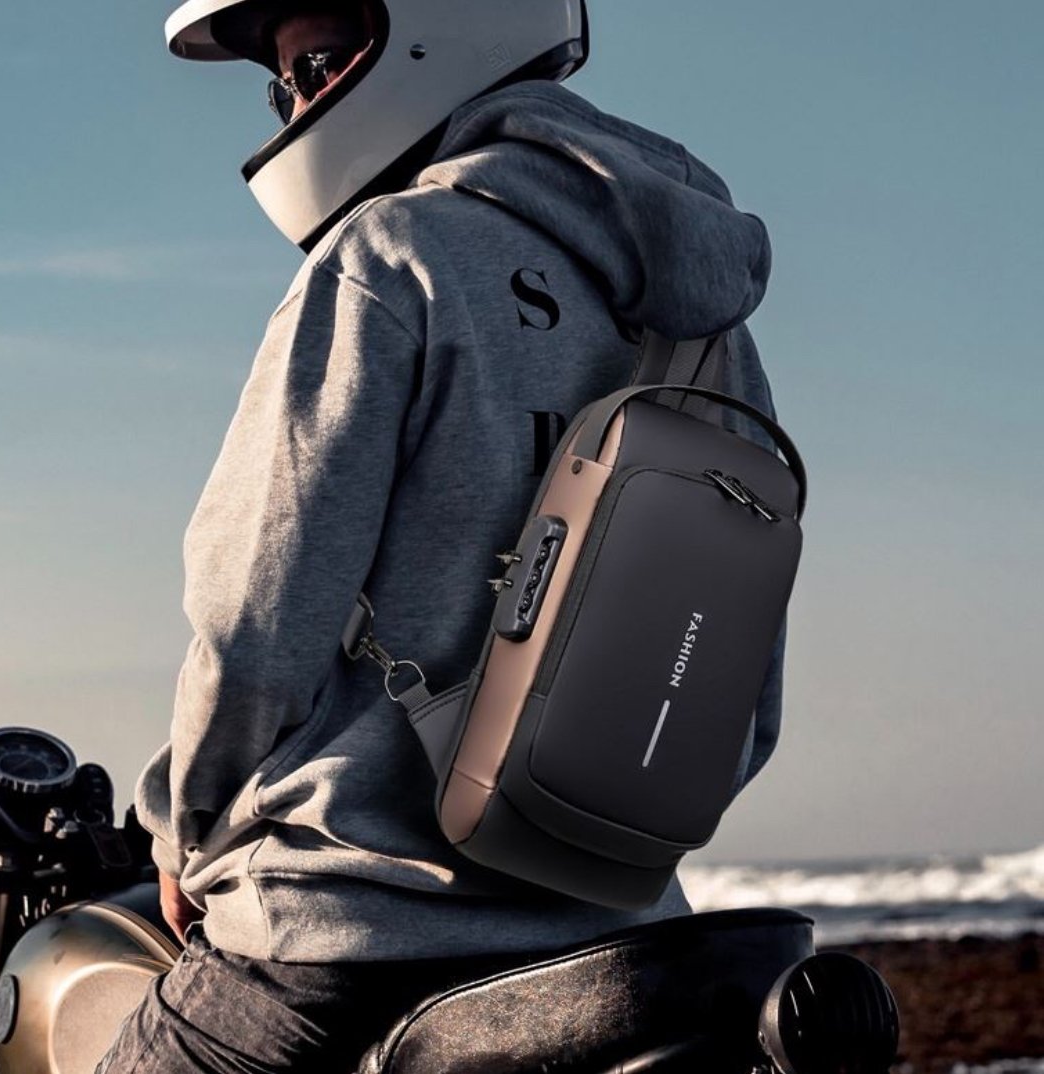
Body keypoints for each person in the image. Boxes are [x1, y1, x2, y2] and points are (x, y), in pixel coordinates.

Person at [97, 0, 786, 1070]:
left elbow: (255, 618)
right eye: (283, 85)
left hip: (347, 925)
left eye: (317, 64)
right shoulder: (704, 318)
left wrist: (181, 831)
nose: (298, 106)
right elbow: (739, 669)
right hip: (625, 941)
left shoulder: (387, 258)